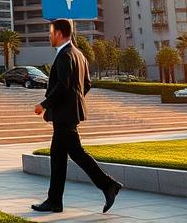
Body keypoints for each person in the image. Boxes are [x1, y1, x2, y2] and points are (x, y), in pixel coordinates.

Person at [31, 19, 123, 214]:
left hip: (64, 116)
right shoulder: (79, 54)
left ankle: (108, 185)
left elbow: (63, 86)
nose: (49, 36)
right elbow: (86, 84)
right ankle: (55, 201)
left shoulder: (65, 55)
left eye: (51, 33)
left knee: (71, 154)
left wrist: (44, 104)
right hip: (69, 113)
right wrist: (74, 103)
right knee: (61, 156)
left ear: (59, 33)